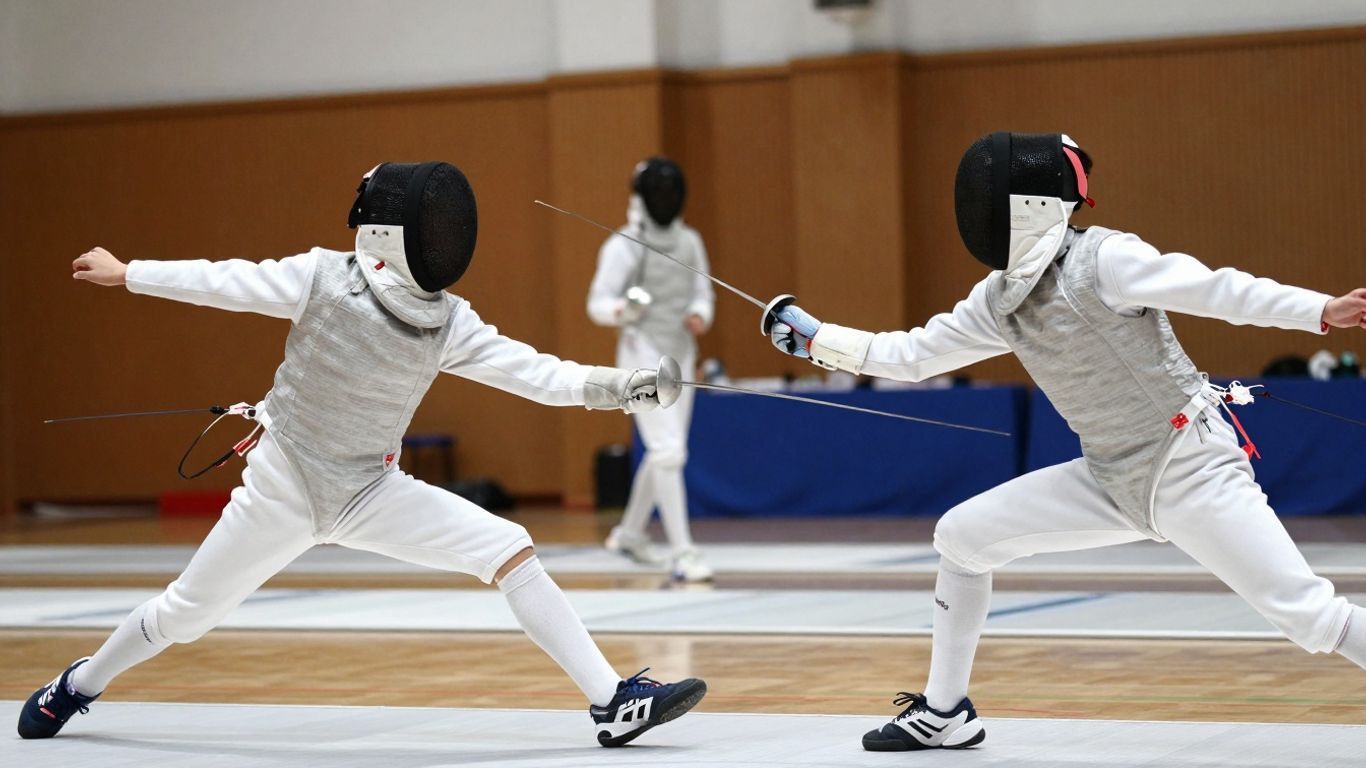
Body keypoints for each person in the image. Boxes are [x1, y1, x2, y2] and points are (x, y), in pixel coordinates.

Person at [19, 161, 706, 747]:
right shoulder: (320, 277)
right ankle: (77, 684)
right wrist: (128, 272)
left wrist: (622, 387)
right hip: (282, 488)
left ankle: (612, 701)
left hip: (370, 491)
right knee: (185, 616)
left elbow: (532, 371)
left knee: (510, 547)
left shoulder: (448, 321)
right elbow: (225, 280)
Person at [766, 133, 1366, 751]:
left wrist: (1321, 309)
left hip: (1188, 465)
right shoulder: (999, 300)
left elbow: (1214, 289)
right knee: (962, 538)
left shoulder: (1106, 259)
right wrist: (817, 341)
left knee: (1309, 615)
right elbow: (914, 354)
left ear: (1025, 204)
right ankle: (946, 714)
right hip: (1108, 477)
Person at [588, 156, 716, 582]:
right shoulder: (623, 245)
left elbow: (704, 293)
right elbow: (597, 304)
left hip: (682, 352)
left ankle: (629, 534)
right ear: (642, 198)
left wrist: (699, 313)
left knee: (666, 450)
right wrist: (624, 308)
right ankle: (683, 553)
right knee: (668, 451)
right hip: (640, 351)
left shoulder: (690, 241)